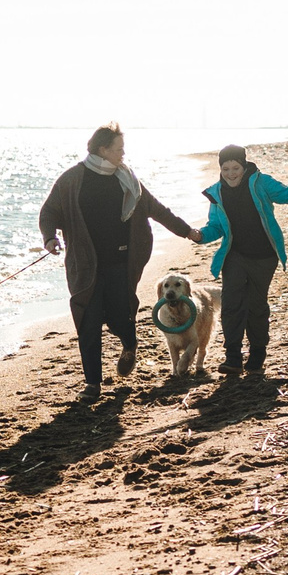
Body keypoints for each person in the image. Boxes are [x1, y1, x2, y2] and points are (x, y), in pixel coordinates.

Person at [37, 124, 201, 395]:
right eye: (119, 149)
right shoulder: (72, 179)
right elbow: (49, 212)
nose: (123, 154)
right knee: (88, 321)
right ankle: (93, 383)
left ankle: (129, 343)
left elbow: (157, 210)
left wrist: (187, 232)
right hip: (85, 265)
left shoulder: (127, 179)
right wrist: (49, 238)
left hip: (121, 264)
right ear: (103, 149)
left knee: (119, 316)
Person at [197, 144, 288, 382]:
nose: (231, 173)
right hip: (234, 255)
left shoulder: (261, 183)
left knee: (256, 306)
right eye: (225, 168)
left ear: (243, 165)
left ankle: (257, 354)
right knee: (232, 305)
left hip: (264, 256)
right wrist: (201, 235)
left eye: (235, 167)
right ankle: (233, 357)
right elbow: (215, 226)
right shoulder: (217, 193)